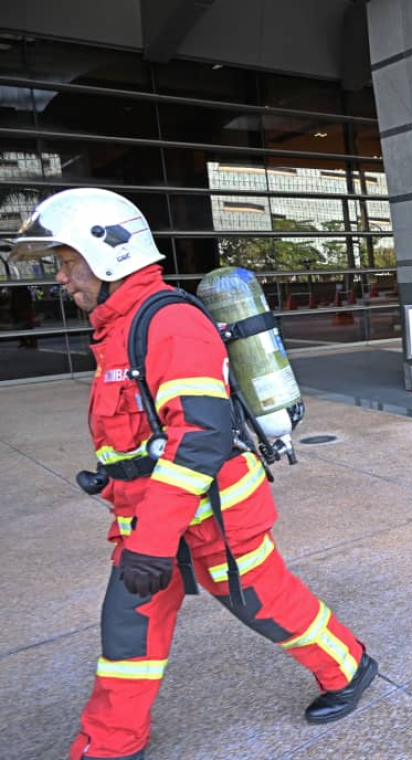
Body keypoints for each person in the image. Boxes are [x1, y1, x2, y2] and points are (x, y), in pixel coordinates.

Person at [10, 188, 376, 760]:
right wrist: (116, 484)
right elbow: (143, 432)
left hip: (216, 514)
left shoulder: (170, 324)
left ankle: (349, 666)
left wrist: (153, 543)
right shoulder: (118, 325)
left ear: (108, 256)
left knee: (264, 602)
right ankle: (109, 744)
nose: (61, 279)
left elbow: (199, 436)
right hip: (152, 515)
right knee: (128, 629)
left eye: (67, 263)